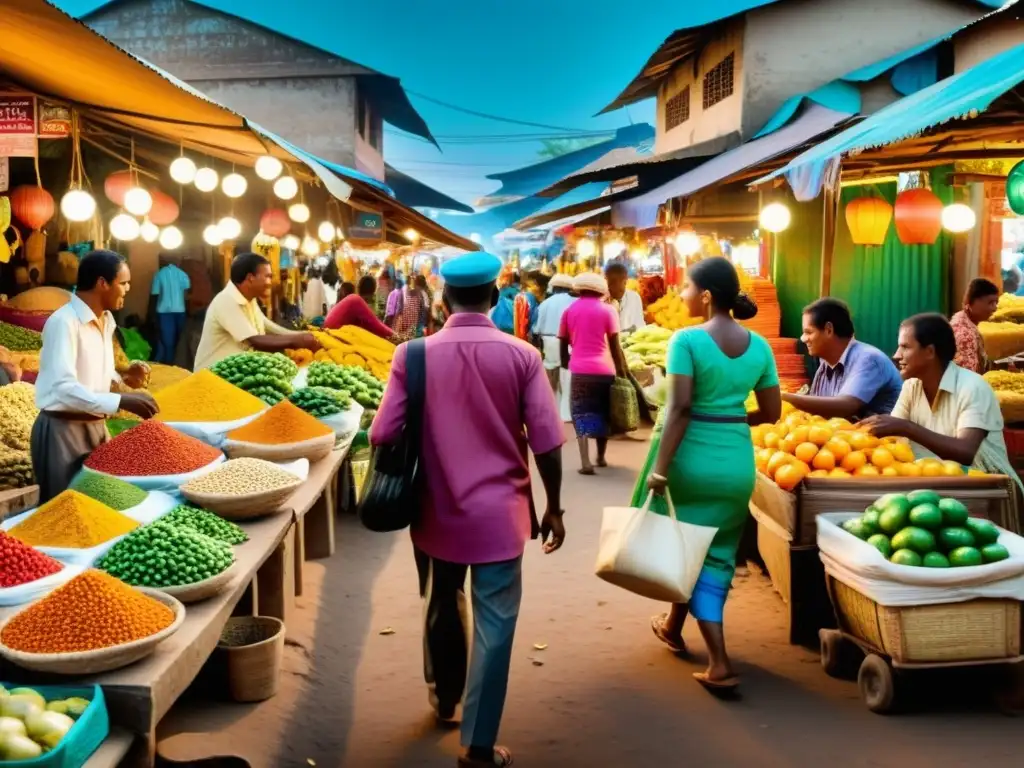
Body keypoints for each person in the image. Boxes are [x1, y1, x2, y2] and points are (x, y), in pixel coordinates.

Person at [370, 251, 565, 768]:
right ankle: (478, 746)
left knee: (442, 599)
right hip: (502, 516)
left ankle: (444, 697)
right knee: (495, 626)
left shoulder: (412, 356)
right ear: (496, 298)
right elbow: (547, 443)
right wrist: (556, 508)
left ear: (442, 300)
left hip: (434, 510)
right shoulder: (522, 356)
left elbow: (383, 432)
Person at [639, 256, 781, 691]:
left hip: (691, 462)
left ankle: (720, 662)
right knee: (713, 552)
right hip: (736, 463)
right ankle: (673, 626)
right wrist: (731, 419)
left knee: (691, 549)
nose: (680, 295)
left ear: (705, 295)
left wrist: (659, 470)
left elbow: (679, 408)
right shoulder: (760, 347)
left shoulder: (686, 341)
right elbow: (772, 412)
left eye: (685, 287)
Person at [32, 250, 158, 504]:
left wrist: (122, 380)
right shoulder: (64, 323)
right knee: (64, 510)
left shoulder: (107, 321)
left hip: (96, 427)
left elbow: (92, 371)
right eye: (123, 283)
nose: (127, 289)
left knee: (96, 508)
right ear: (102, 283)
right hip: (63, 431)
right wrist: (120, 400)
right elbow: (63, 387)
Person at [862, 313, 1019, 480]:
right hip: (937, 485)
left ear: (929, 352)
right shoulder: (911, 386)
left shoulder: (973, 387)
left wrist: (906, 427)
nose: (896, 355)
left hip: (991, 491)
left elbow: (965, 452)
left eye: (905, 347)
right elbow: (892, 438)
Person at [194, 252, 319, 370]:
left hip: (236, 373)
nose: (270, 283)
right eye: (268, 277)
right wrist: (295, 341)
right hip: (211, 376)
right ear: (250, 278)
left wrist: (303, 335)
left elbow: (269, 327)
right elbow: (255, 340)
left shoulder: (249, 299)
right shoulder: (226, 300)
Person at [783, 297, 903, 420]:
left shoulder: (868, 359)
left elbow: (845, 406)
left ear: (829, 330)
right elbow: (819, 414)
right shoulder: (825, 366)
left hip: (885, 438)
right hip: (847, 437)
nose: (803, 339)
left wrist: (784, 397)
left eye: (808, 332)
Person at [559, 272, 628, 474]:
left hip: (580, 370)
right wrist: (622, 371)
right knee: (603, 412)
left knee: (581, 412)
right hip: (605, 370)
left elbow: (562, 341)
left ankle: (585, 462)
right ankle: (600, 457)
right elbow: (615, 347)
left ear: (579, 289)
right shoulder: (608, 311)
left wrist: (566, 364)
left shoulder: (569, 310)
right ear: (600, 290)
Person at [533, 274, 575, 420]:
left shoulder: (545, 303)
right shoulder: (574, 301)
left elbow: (536, 329)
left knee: (552, 379)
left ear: (555, 288)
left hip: (549, 340)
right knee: (567, 378)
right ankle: (566, 413)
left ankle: (553, 411)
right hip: (568, 343)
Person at [323, 275, 397, 341]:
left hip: (330, 334)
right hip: (333, 335)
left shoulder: (353, 300)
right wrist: (396, 337)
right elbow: (377, 326)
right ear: (374, 290)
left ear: (358, 289)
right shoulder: (356, 301)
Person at [951, 278, 999, 374]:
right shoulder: (964, 334)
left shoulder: (964, 320)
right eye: (990, 303)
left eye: (996, 302)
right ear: (971, 302)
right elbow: (966, 379)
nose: (995, 308)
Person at [149, 254, 191, 364]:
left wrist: (151, 315)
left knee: (168, 342)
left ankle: (169, 365)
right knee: (180, 340)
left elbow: (155, 295)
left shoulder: (159, 274)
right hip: (180, 311)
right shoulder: (183, 275)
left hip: (164, 312)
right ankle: (180, 364)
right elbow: (186, 295)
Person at [606, 261, 646, 335]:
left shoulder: (634, 297)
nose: (616, 290)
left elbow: (640, 324)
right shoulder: (602, 301)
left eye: (620, 290)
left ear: (625, 282)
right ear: (607, 283)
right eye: (612, 284)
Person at [388, 275, 430, 340]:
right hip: (415, 324)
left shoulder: (417, 293)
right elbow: (425, 309)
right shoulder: (422, 294)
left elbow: (400, 307)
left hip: (414, 323)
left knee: (406, 337)